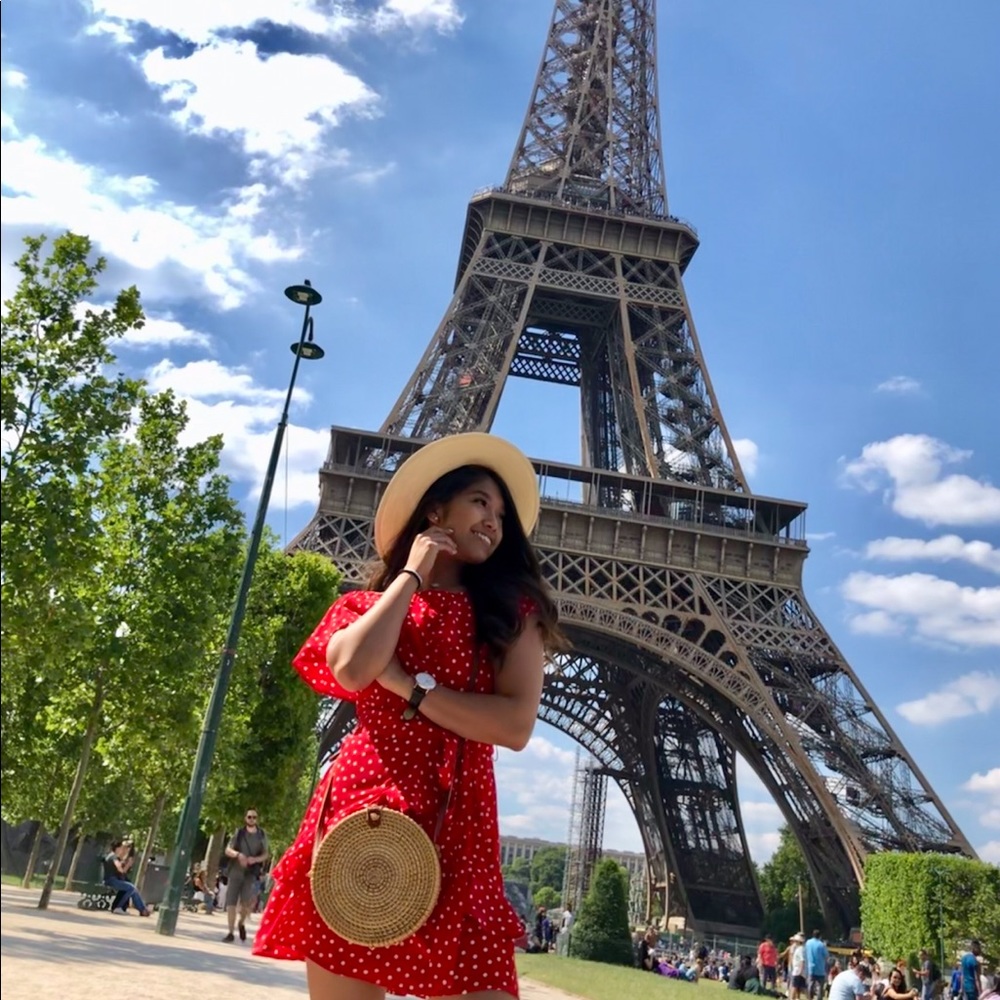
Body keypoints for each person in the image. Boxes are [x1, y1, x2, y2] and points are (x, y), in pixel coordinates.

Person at [251, 433, 565, 1000]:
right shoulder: (364, 607)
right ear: (435, 509)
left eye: (501, 512)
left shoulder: (513, 613)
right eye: (479, 501)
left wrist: (406, 686)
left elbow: (515, 726)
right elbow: (349, 668)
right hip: (362, 812)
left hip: (459, 823)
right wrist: (412, 574)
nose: (494, 519)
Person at [222, 808, 269, 942]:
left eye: (254, 817)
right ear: (245, 818)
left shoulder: (261, 835)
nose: (252, 819)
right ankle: (230, 932)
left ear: (257, 819)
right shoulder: (239, 833)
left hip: (250, 873)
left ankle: (241, 922)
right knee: (231, 902)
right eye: (249, 817)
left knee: (246, 903)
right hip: (235, 871)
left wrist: (255, 859)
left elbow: (265, 854)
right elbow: (228, 850)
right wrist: (238, 855)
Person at [102, 839, 151, 916]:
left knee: (132, 888)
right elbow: (119, 868)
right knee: (131, 888)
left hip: (111, 879)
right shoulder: (113, 856)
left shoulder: (111, 856)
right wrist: (124, 866)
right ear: (117, 848)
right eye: (121, 847)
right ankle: (118, 907)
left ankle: (142, 909)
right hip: (112, 880)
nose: (123, 849)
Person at [806, 930, 830, 1000]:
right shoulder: (821, 945)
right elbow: (826, 956)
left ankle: (810, 997)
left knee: (811, 984)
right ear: (820, 936)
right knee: (820, 986)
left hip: (811, 967)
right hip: (820, 968)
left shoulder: (808, 943)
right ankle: (819, 998)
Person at [789, 933, 807, 1000]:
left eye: (796, 941)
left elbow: (802, 960)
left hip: (797, 971)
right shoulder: (800, 949)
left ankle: (791, 998)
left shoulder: (800, 949)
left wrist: (800, 970)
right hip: (799, 971)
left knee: (794, 986)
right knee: (804, 988)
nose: (794, 942)